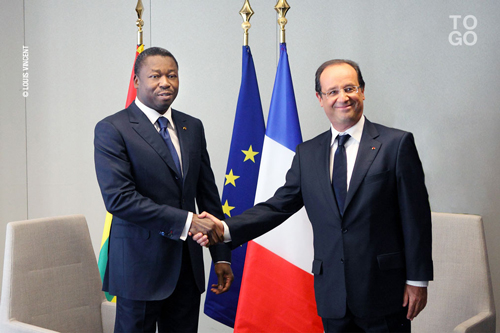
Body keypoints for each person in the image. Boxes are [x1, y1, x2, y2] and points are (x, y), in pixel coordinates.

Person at [193, 59, 433, 332]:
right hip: (332, 294)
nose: (343, 97)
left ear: (362, 91)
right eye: (332, 91)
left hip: (384, 292)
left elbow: (416, 218)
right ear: (320, 98)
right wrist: (223, 229)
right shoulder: (307, 154)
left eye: (350, 88)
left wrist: (418, 280)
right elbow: (277, 207)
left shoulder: (396, 144)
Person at [94, 46, 233, 333]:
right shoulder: (113, 129)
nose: (165, 82)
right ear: (136, 81)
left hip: (186, 268)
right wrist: (188, 221)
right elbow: (119, 199)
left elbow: (207, 195)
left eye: (172, 75)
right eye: (155, 75)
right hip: (138, 269)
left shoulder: (192, 127)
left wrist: (220, 254)